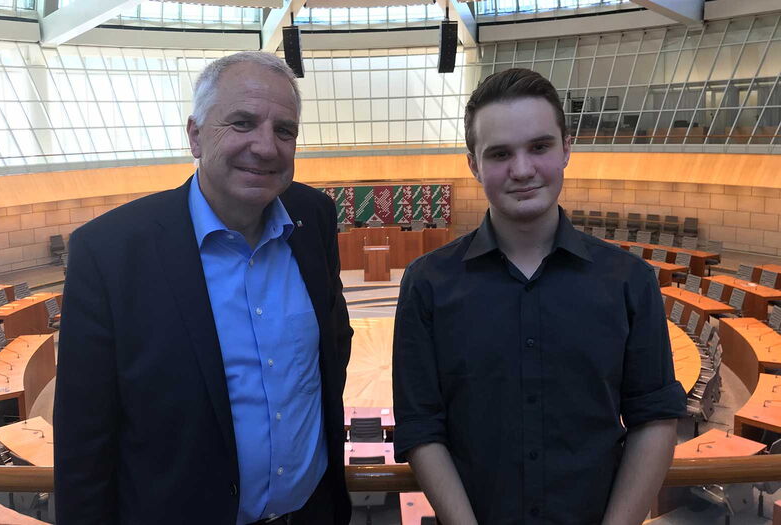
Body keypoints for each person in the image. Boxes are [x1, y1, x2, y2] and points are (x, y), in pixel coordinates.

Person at [54, 51, 353, 525]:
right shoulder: (109, 253)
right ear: (195, 135)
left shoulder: (313, 216)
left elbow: (334, 340)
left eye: (284, 130)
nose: (266, 146)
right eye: (241, 123)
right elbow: (83, 443)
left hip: (311, 513)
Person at [392, 68, 686, 525]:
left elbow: (654, 418)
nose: (523, 169)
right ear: (474, 164)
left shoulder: (630, 280)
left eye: (540, 147)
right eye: (500, 153)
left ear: (567, 148)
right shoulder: (426, 284)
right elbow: (420, 427)